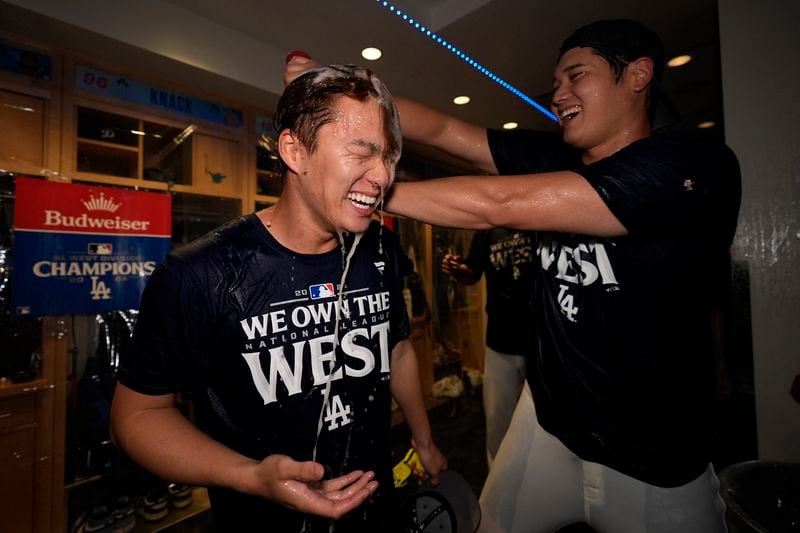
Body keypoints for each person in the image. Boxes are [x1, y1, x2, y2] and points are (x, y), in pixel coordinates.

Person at [286, 17, 740, 533]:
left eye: (576, 75)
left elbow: (498, 203)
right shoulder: (558, 153)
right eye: (556, 82)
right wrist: (330, 88)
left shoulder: (694, 164)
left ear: (637, 75)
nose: (558, 92)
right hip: (550, 420)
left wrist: (355, 191)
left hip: (653, 453)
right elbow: (440, 130)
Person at [110, 64, 446, 532]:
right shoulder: (199, 274)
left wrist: (423, 437)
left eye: (388, 158)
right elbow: (137, 417)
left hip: (374, 506)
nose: (382, 176)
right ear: (294, 150)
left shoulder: (382, 249)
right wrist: (251, 477)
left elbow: (397, 347)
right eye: (362, 152)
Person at [440, 229, 532, 467]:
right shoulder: (488, 226)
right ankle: (497, 488)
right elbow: (473, 272)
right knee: (497, 421)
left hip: (541, 340)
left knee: (546, 423)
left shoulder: (537, 216)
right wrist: (460, 271)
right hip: (499, 339)